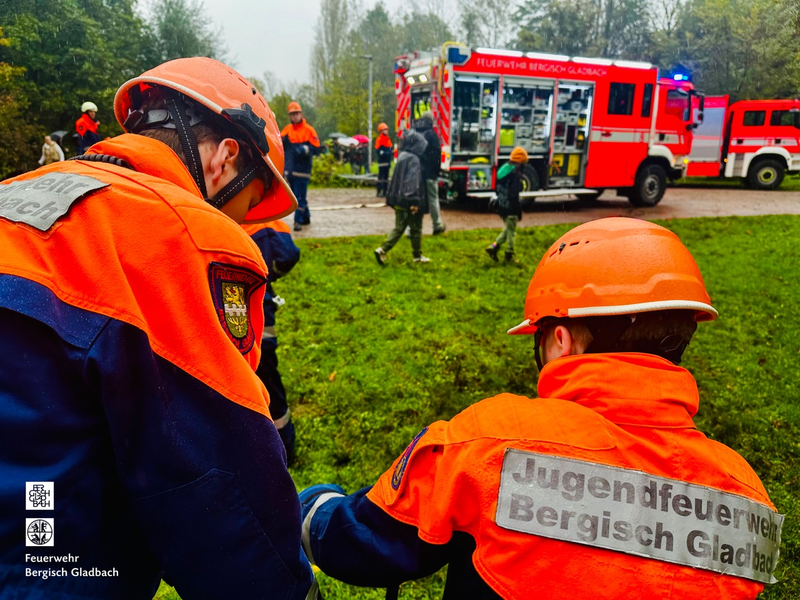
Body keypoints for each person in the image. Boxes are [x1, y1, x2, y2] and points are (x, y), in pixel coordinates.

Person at [301, 218, 782, 599]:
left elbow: (365, 544)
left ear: (559, 339)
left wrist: (312, 509)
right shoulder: (749, 502)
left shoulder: (489, 442)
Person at [0, 57, 317, 599]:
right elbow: (221, 487)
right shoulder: (184, 237)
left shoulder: (15, 193)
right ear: (225, 158)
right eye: (245, 206)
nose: (240, 224)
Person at [242, 219, 301, 460]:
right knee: (268, 379)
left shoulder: (218, 212)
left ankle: (276, 444)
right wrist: (270, 275)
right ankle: (284, 442)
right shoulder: (269, 221)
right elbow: (289, 254)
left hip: (233, 310)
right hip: (261, 308)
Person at [374, 129, 430, 266]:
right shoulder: (414, 160)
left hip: (398, 200)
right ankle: (417, 256)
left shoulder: (403, 156)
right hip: (409, 201)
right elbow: (412, 182)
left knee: (399, 228)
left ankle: (382, 249)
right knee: (416, 228)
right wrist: (414, 201)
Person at [281, 101, 321, 232]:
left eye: (296, 113)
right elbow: (280, 147)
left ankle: (297, 221)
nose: (295, 116)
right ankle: (306, 217)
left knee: (299, 197)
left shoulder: (309, 130)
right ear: (290, 116)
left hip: (303, 170)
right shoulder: (286, 130)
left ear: (301, 114)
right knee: (297, 196)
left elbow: (317, 149)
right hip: (291, 171)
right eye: (292, 114)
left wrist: (307, 149)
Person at [486, 147, 527, 263]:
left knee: (509, 229)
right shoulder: (515, 173)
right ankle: (509, 255)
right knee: (512, 233)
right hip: (510, 207)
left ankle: (493, 248)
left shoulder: (505, 169)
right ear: (521, 160)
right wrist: (518, 210)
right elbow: (514, 195)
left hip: (501, 205)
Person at [415, 110, 445, 235]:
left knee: (416, 200)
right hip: (430, 173)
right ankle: (437, 225)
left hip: (417, 173)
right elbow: (436, 156)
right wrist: (437, 172)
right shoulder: (432, 135)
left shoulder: (416, 132)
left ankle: (412, 229)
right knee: (433, 198)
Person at [374, 122, 393, 198]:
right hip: (382, 162)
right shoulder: (379, 139)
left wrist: (389, 153)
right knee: (381, 177)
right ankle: (379, 191)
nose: (387, 131)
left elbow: (390, 149)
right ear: (381, 131)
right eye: (385, 130)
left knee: (386, 177)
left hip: (387, 162)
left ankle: (385, 191)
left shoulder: (388, 139)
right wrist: (387, 153)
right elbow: (379, 151)